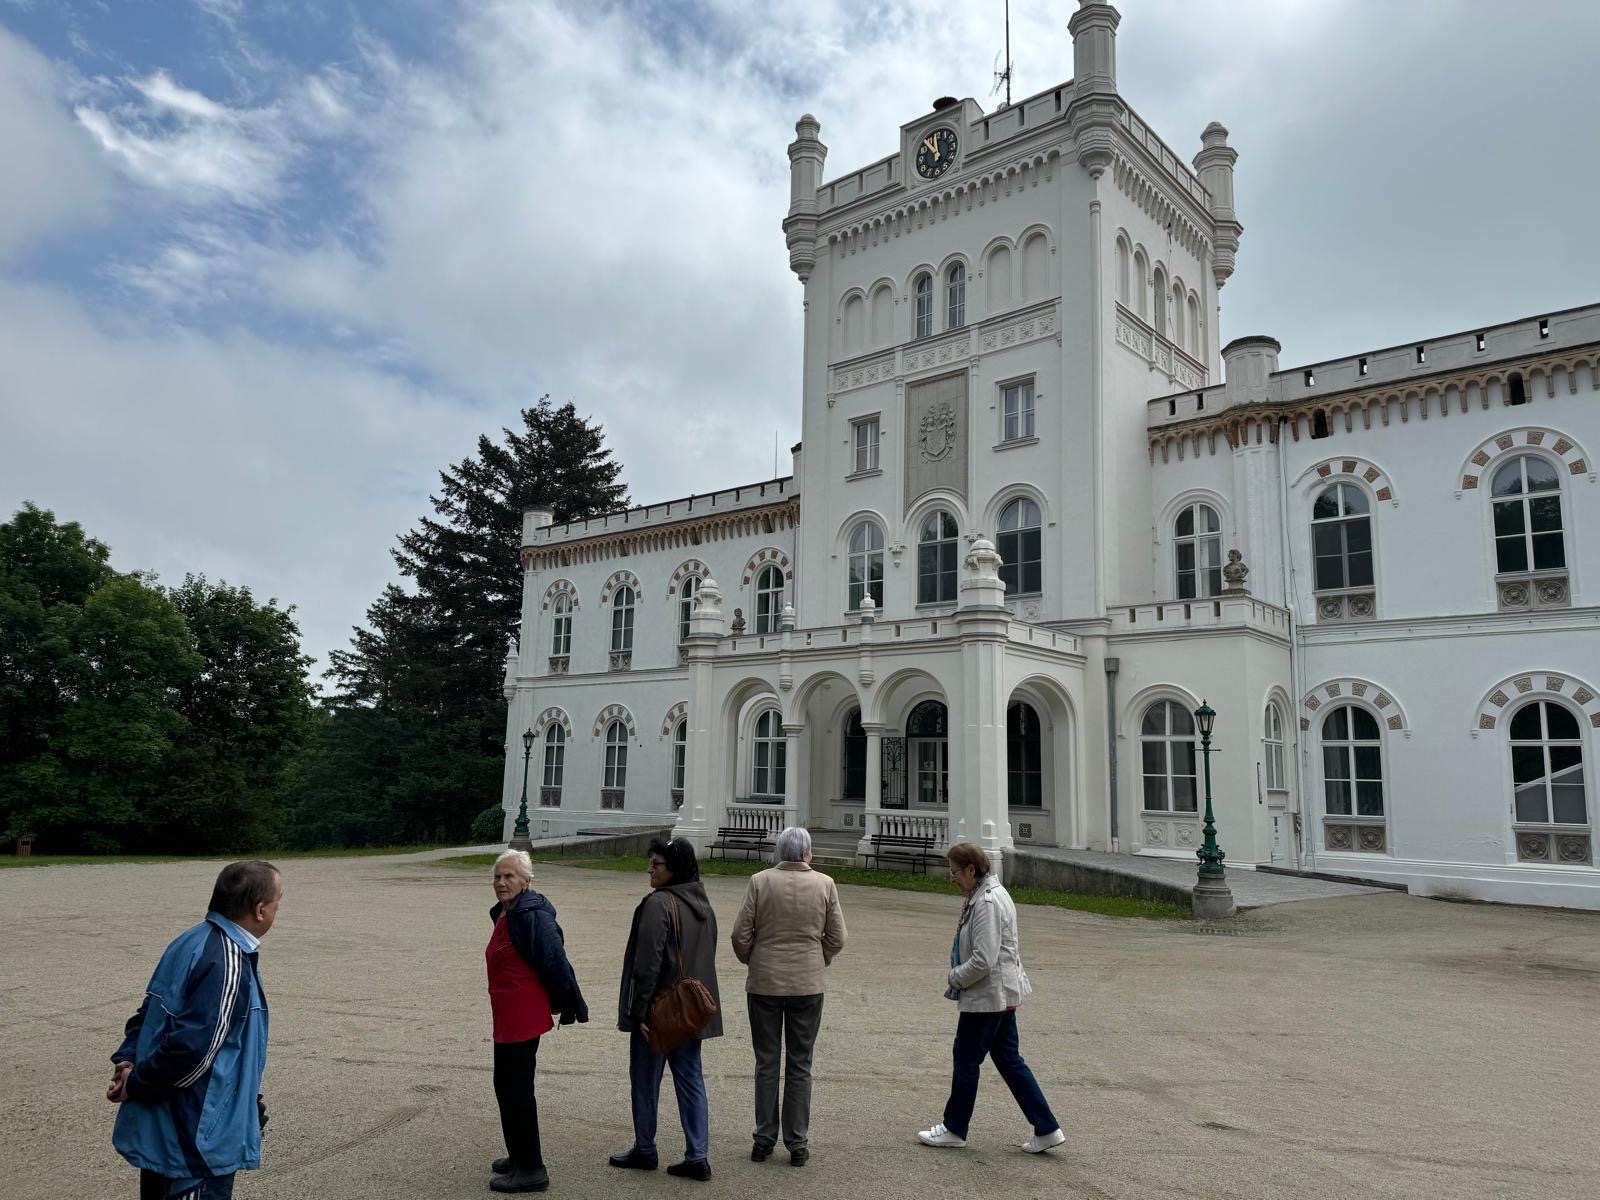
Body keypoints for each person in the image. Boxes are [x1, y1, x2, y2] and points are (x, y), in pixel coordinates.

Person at [108, 861, 284, 1200]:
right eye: (279, 900)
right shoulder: (227, 961)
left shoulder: (190, 941)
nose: (279, 908)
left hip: (166, 1136)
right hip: (195, 1142)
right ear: (260, 910)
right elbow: (193, 1052)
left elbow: (148, 1014)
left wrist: (128, 1061)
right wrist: (137, 1084)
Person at [916, 842, 1065, 1155]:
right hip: (999, 994)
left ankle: (955, 1128)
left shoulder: (987, 901)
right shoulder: (990, 894)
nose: (952, 878)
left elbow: (984, 959)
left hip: (988, 997)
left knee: (966, 1059)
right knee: (1009, 1060)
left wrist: (955, 977)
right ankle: (1047, 1127)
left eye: (955, 872)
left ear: (971, 870)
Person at [729, 826, 846, 1167]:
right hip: (807, 982)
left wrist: (753, 957)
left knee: (766, 1061)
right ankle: (797, 1142)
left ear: (780, 852)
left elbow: (740, 933)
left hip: (765, 980)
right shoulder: (825, 883)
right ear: (807, 853)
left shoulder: (759, 881)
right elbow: (837, 936)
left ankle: (764, 1138)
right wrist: (820, 957)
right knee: (800, 1063)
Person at [610, 836, 722, 1181]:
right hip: (691, 1009)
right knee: (690, 1079)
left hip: (660, 1010)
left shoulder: (659, 903)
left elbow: (648, 962)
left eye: (656, 864)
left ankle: (645, 1148)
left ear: (674, 869)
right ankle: (697, 1155)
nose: (650, 869)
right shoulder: (702, 902)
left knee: (645, 1078)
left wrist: (640, 1010)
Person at [486, 849, 589, 1193]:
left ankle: (532, 1168)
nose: (502, 882)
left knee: (517, 1089)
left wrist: (562, 1002)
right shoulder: (507, 911)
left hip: (524, 1013)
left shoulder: (532, 914)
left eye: (509, 876)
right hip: (507, 1013)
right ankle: (518, 1154)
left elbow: (555, 962)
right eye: (498, 876)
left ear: (526, 881)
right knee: (505, 1085)